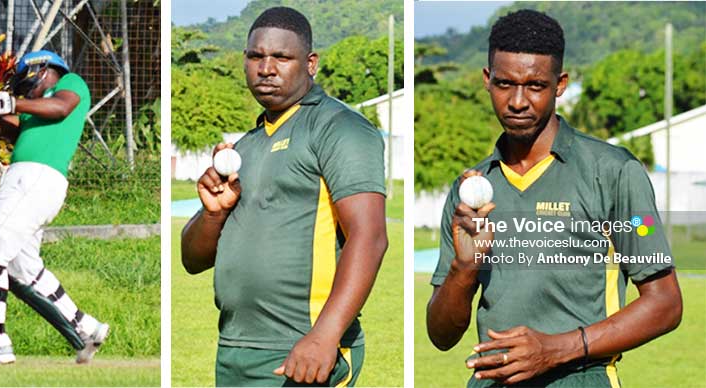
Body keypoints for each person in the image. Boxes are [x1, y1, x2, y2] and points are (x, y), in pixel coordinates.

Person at [427, 9, 683, 387]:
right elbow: (441, 336)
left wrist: (557, 349)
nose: (517, 101)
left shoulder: (614, 174)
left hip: (580, 378)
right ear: (487, 80)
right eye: (504, 84)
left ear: (559, 84)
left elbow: (666, 303)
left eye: (534, 85)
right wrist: (463, 269)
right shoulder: (471, 188)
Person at [181, 7, 388, 386]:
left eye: (281, 57)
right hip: (234, 351)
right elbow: (192, 261)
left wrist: (324, 337)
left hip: (301, 350)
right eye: (256, 57)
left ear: (310, 63)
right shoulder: (246, 146)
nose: (266, 68)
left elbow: (370, 237)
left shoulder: (339, 128)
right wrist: (213, 214)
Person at [0, 50, 109, 365]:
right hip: (32, 180)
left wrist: (10, 102)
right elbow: (5, 129)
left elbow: (62, 107)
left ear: (43, 70)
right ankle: (86, 328)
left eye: (25, 84)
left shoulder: (69, 83)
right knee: (23, 270)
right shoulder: (35, 111)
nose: (23, 91)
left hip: (35, 177)